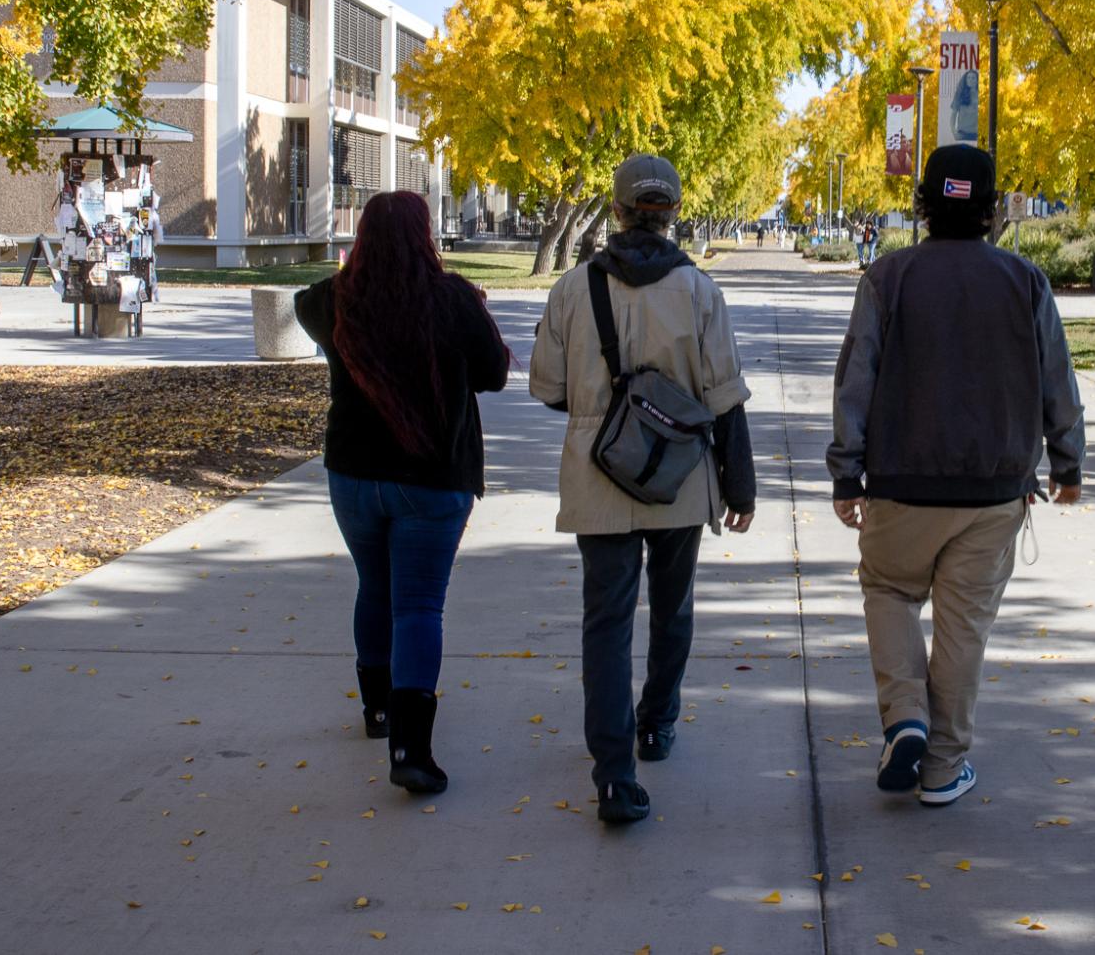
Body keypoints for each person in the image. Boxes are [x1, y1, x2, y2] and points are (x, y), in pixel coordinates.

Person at [827, 144, 1085, 807]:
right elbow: (1058, 378)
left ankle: (906, 715)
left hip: (898, 484)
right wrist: (1067, 463)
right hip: (994, 490)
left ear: (923, 204)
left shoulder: (887, 277)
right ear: (993, 208)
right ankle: (942, 768)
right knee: (962, 628)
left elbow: (855, 381)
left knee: (887, 591)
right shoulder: (1025, 281)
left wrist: (845, 473)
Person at [530, 154, 756, 826]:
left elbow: (547, 390)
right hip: (681, 475)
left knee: (604, 622)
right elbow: (726, 400)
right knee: (672, 606)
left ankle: (612, 771)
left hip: (597, 474)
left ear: (618, 209)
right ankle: (656, 724)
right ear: (672, 213)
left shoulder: (574, 288)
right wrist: (738, 485)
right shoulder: (699, 291)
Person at [294, 192, 510, 797]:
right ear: (426, 236)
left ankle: (378, 711)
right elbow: (493, 374)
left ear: (361, 238)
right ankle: (411, 748)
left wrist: (353, 274)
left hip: (355, 477)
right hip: (433, 481)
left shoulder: (336, 299)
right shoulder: (452, 299)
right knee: (418, 605)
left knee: (375, 587)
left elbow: (301, 301)